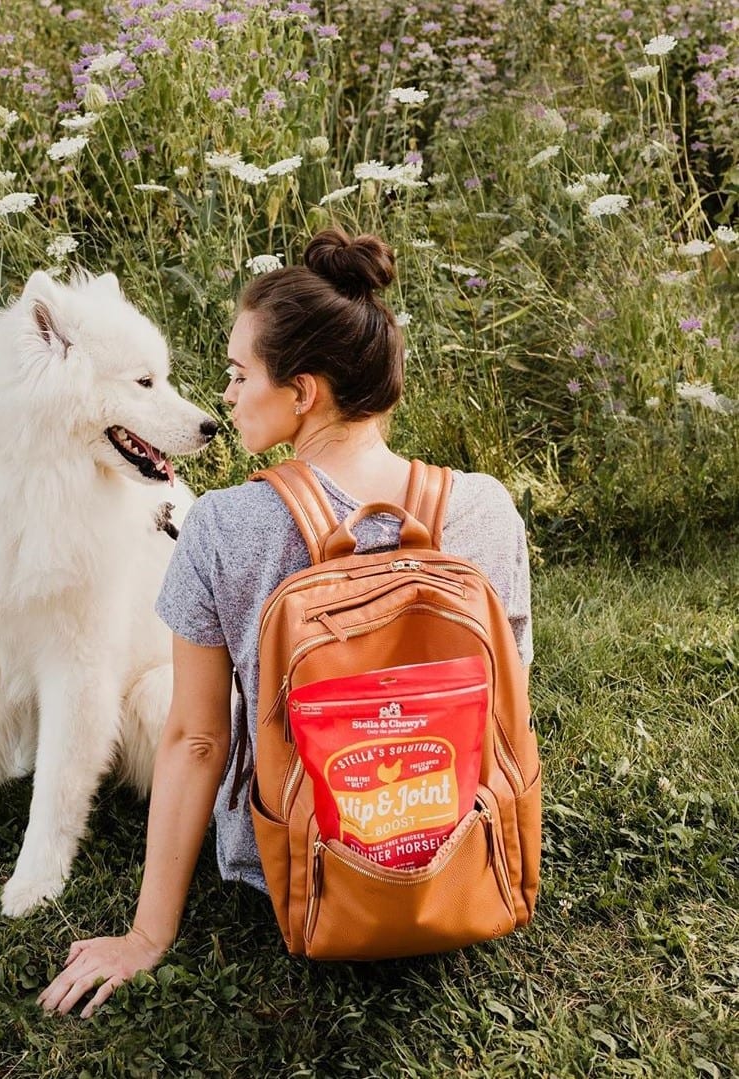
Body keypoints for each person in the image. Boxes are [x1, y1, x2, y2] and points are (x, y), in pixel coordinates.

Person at [38, 228, 533, 1018]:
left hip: (291, 864)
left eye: (239, 376)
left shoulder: (225, 525)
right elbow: (505, 704)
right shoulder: (483, 508)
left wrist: (144, 936)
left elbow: (197, 740)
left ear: (303, 392)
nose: (226, 395)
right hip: (456, 842)